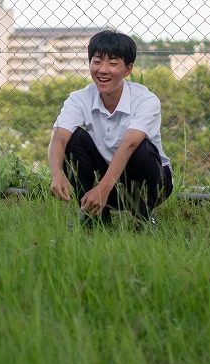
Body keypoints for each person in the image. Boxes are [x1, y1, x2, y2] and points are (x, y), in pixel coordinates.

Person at [48, 30, 173, 227]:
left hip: (153, 184)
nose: (103, 70)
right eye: (97, 62)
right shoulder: (79, 98)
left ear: (128, 69)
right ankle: (94, 217)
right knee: (73, 140)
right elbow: (59, 138)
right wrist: (56, 174)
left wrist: (103, 189)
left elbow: (129, 145)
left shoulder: (146, 100)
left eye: (113, 64)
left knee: (142, 148)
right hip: (106, 179)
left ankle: (143, 218)